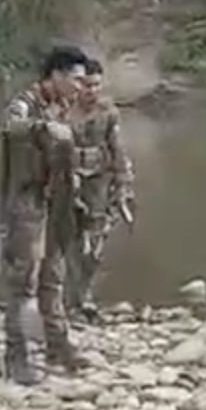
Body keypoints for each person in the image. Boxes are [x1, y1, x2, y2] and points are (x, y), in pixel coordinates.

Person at [0, 44, 91, 385]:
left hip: (57, 200)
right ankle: (15, 356)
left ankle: (57, 345)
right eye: (76, 80)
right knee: (23, 280)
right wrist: (42, 128)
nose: (81, 87)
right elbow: (10, 126)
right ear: (56, 75)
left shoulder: (64, 107)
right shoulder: (25, 103)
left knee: (54, 274)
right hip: (26, 201)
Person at [64, 58, 135, 322]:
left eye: (96, 85)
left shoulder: (108, 112)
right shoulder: (62, 110)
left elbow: (118, 148)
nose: (92, 90)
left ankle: (86, 295)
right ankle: (70, 295)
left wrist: (124, 183)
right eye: (86, 85)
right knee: (69, 237)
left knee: (95, 240)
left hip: (99, 180)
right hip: (67, 178)